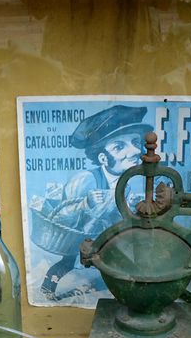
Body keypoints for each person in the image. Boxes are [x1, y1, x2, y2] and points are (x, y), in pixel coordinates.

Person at [39, 105, 152, 297]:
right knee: (68, 265)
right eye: (119, 147)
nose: (134, 151)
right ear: (103, 158)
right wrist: (85, 204)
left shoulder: (125, 183)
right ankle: (48, 292)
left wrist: (130, 207)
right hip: (80, 241)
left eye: (135, 142)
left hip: (106, 241)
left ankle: (86, 290)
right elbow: (60, 217)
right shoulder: (85, 179)